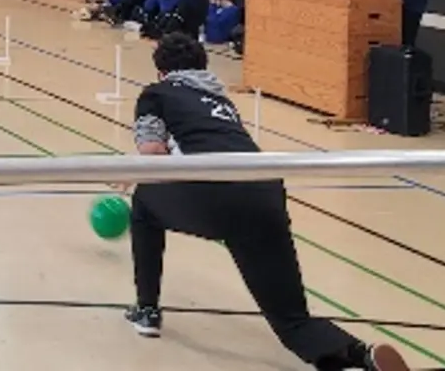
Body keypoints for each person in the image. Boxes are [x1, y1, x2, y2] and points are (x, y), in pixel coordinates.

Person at [124, 33, 408, 371]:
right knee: (291, 320)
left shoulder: (156, 94)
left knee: (143, 204)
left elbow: (152, 153)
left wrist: (130, 171)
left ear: (161, 71)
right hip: (266, 191)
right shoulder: (223, 102)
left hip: (215, 194)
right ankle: (359, 356)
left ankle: (147, 310)